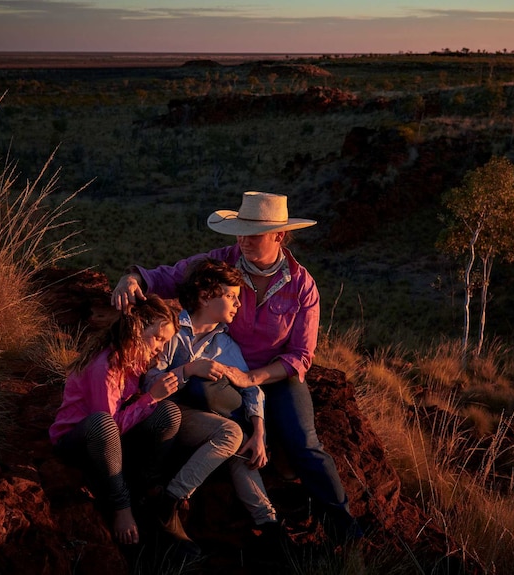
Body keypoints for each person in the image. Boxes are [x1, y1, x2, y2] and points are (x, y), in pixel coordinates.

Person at [112, 191, 362, 542]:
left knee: (306, 442)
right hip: (224, 371)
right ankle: (250, 453)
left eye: (253, 234)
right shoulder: (221, 266)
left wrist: (254, 377)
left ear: (279, 236)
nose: (243, 240)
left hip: (274, 375)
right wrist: (132, 279)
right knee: (203, 389)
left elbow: (301, 355)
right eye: (240, 232)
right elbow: (171, 276)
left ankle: (340, 519)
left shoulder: (302, 285)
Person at [143, 258, 282, 544]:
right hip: (169, 416)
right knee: (231, 433)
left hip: (205, 421)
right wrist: (188, 370)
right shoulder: (171, 331)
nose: (238, 304)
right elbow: (148, 380)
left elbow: (252, 390)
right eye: (230, 296)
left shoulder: (225, 344)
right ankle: (171, 500)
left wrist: (259, 434)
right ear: (206, 297)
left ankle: (269, 526)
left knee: (241, 443)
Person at [49, 294, 181, 547]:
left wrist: (154, 399)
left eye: (165, 342)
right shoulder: (106, 365)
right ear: (137, 328)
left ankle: (147, 489)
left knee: (169, 413)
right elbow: (111, 426)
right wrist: (151, 398)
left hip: (112, 440)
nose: (160, 348)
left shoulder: (134, 362)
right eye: (158, 338)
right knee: (103, 423)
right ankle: (121, 505)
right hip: (79, 440)